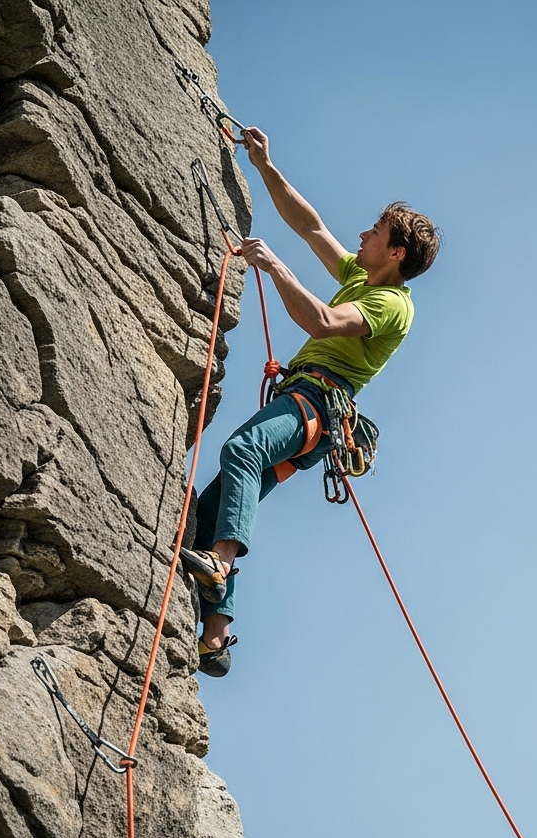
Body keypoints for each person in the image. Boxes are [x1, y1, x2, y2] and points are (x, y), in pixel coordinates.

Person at [182, 127, 441, 676]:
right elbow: (310, 225)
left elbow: (322, 323)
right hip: (307, 409)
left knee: (242, 450)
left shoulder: (391, 303)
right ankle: (214, 637)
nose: (363, 233)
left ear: (396, 253)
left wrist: (276, 270)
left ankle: (221, 562)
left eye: (377, 231)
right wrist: (264, 166)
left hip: (319, 407)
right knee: (213, 504)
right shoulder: (358, 276)